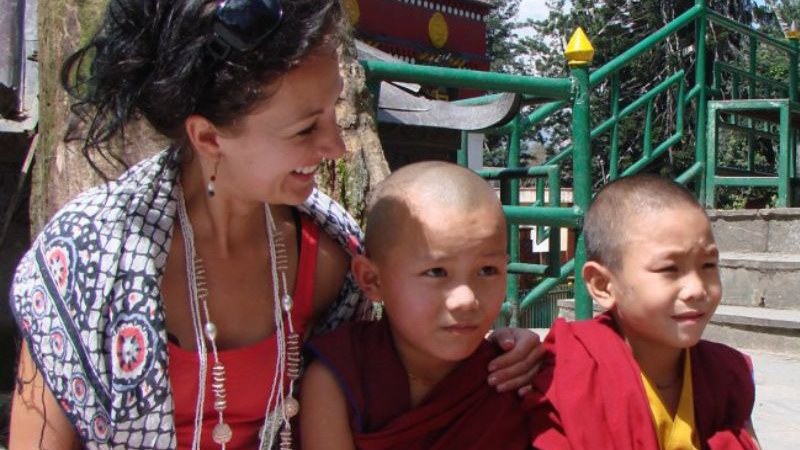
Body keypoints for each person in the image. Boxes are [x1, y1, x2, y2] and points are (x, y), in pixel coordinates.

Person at [7, 1, 541, 449]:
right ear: (209, 138)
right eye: (307, 127)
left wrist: (503, 352)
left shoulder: (329, 252)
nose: (335, 146)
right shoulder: (85, 259)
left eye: (332, 113)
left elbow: (394, 373)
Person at [299, 161, 530, 450]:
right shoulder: (339, 378)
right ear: (372, 280)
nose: (467, 299)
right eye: (436, 272)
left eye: (487, 270)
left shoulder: (513, 375)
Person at [524, 174, 761, 450]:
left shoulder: (726, 375)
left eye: (708, 265)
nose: (697, 289)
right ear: (603, 285)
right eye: (669, 269)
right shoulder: (566, 373)